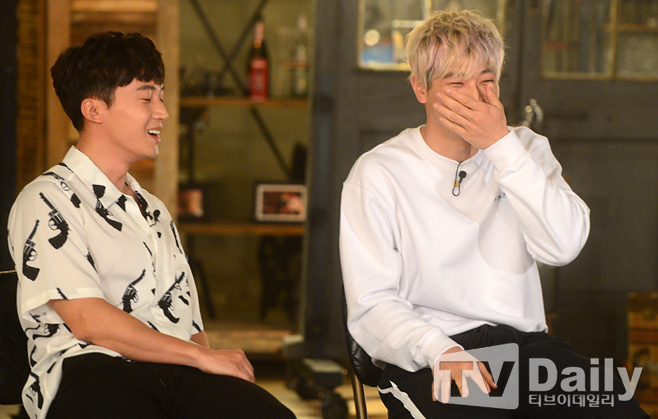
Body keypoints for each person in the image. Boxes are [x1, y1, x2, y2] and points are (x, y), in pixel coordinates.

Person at [339, 10, 648, 419]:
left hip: (528, 351)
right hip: (433, 356)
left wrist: (501, 147)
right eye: (456, 83)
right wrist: (440, 350)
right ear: (420, 88)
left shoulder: (525, 149)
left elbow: (564, 246)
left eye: (486, 81)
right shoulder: (377, 172)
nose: (476, 98)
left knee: (619, 409)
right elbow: (371, 305)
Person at [7, 31, 296, 419]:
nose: (162, 112)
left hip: (176, 373)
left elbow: (189, 323)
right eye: (146, 98)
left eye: (161, 96)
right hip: (90, 374)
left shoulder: (154, 209)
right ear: (93, 110)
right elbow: (88, 321)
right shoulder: (46, 198)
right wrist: (199, 357)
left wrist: (213, 373)